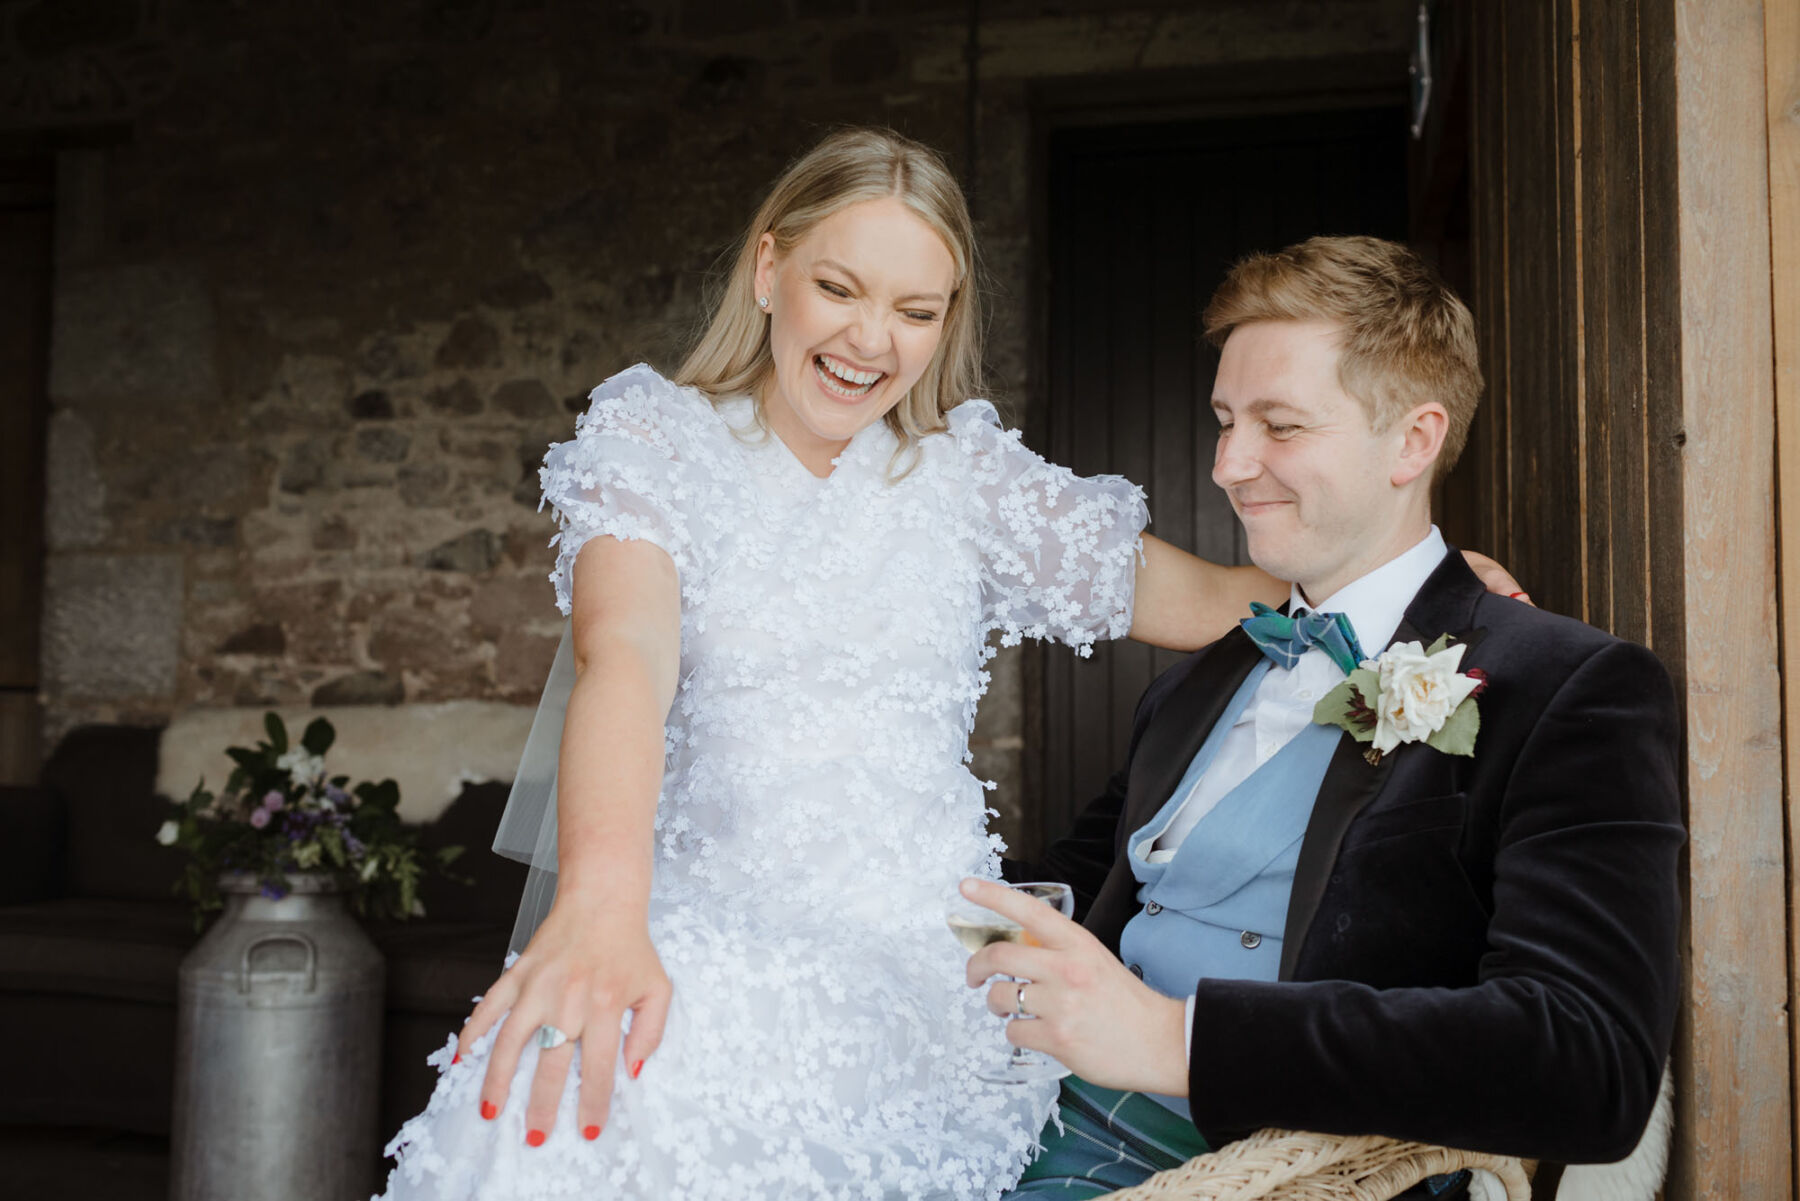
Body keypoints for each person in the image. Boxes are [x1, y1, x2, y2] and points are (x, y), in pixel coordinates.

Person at [374, 133, 1520, 1201]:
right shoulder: (653, 443)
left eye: (916, 310)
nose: (873, 340)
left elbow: (1219, 597)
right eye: (839, 289)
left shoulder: (964, 482)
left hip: (938, 981)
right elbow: (624, 655)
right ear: (768, 267)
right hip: (704, 942)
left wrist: (1413, 577)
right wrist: (603, 906)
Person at [963, 235, 1683, 1199]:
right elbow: (1069, 885)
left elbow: (1589, 1061)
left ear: (1414, 440)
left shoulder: (1571, 688)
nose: (1227, 463)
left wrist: (1177, 1039)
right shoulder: (1200, 679)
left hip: (1277, 1170)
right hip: (1023, 1123)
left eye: (1280, 425)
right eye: (1224, 420)